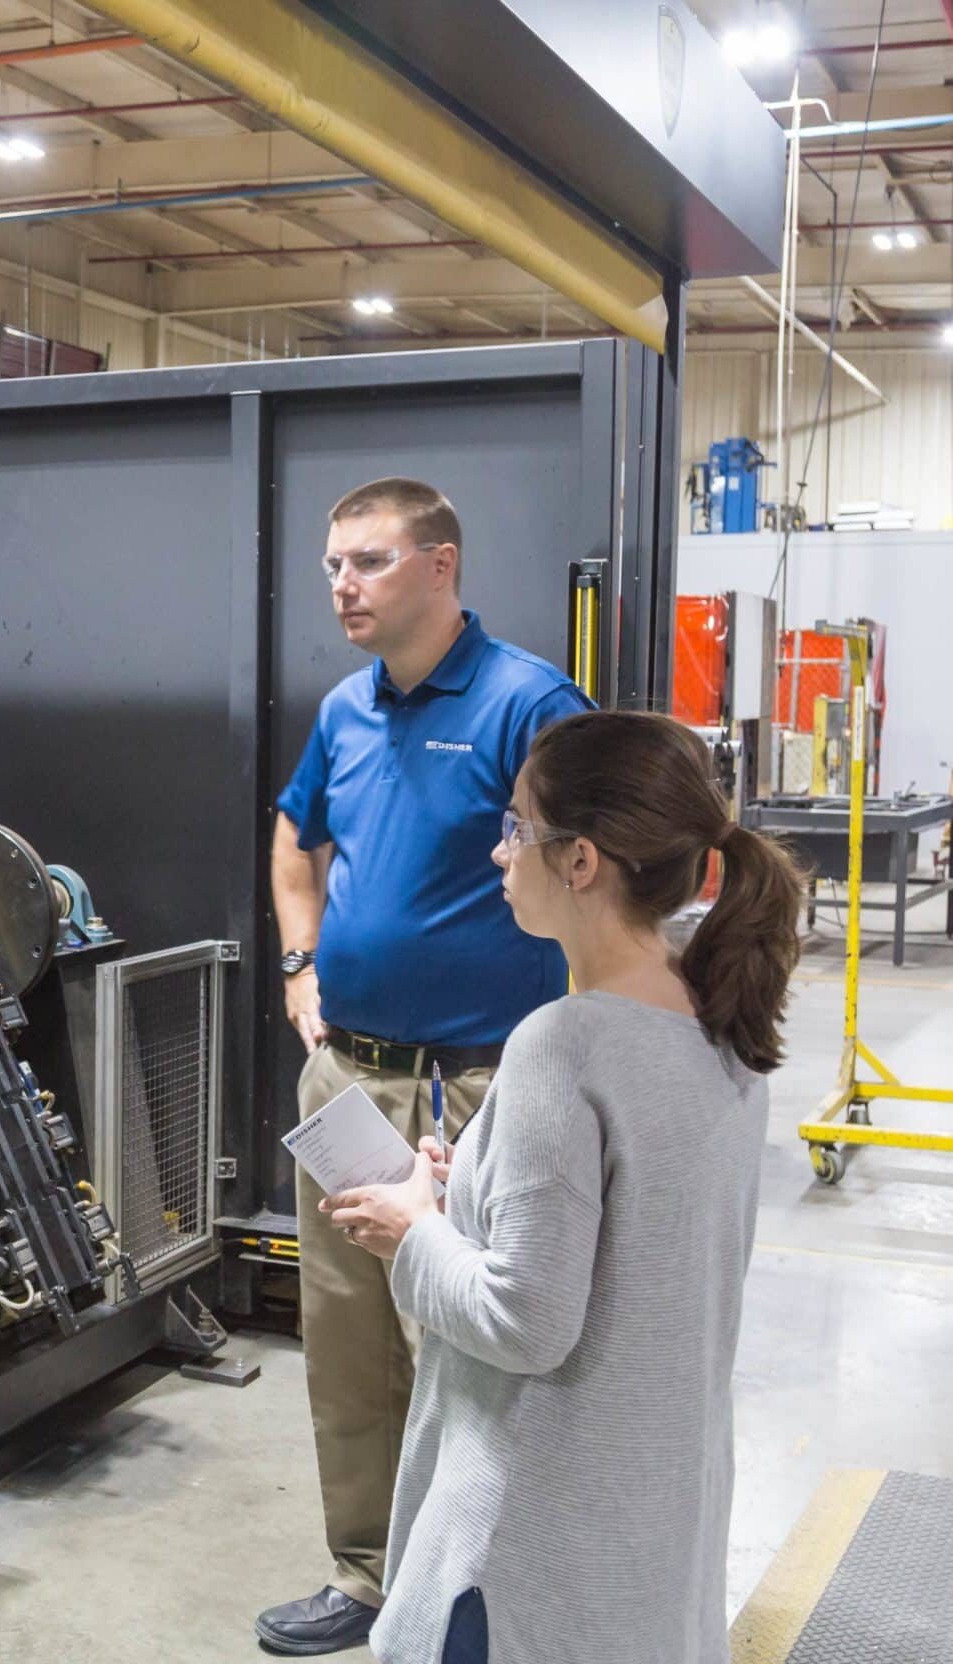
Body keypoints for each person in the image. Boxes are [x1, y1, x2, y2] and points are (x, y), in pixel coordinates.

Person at [323, 710, 804, 1664]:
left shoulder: (564, 1041)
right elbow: (639, 1237)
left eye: (517, 827)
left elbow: (525, 1321)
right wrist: (478, 1194)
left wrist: (413, 1233)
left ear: (579, 861)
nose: (502, 853)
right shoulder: (721, 1021)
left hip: (532, 1558)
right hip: (648, 1532)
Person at [259, 478, 590, 1656]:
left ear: (439, 566)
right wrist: (301, 964)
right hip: (347, 1072)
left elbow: (592, 861)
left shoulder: (526, 702)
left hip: (483, 1083)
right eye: (332, 565)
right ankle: (364, 1576)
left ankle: (473, 1586)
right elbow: (295, 835)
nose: (340, 584)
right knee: (347, 1335)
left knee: (464, 1345)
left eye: (367, 560)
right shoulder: (346, 709)